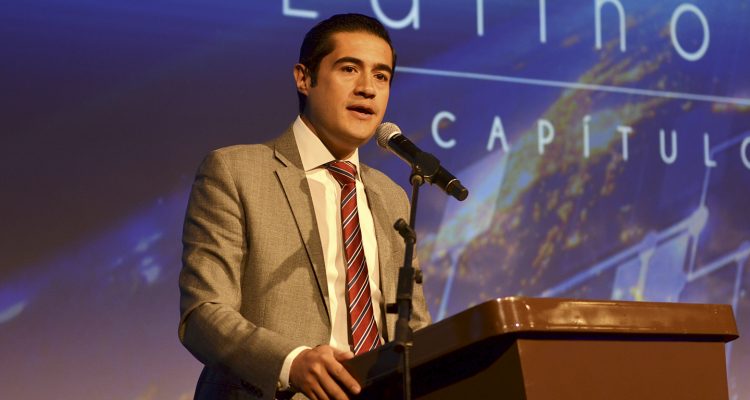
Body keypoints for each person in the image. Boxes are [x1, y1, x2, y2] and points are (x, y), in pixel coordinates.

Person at [178, 13, 431, 400]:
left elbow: (415, 329)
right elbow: (203, 313)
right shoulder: (235, 171)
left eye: (381, 76)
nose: (368, 88)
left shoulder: (391, 195)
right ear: (304, 78)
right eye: (349, 69)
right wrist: (290, 363)